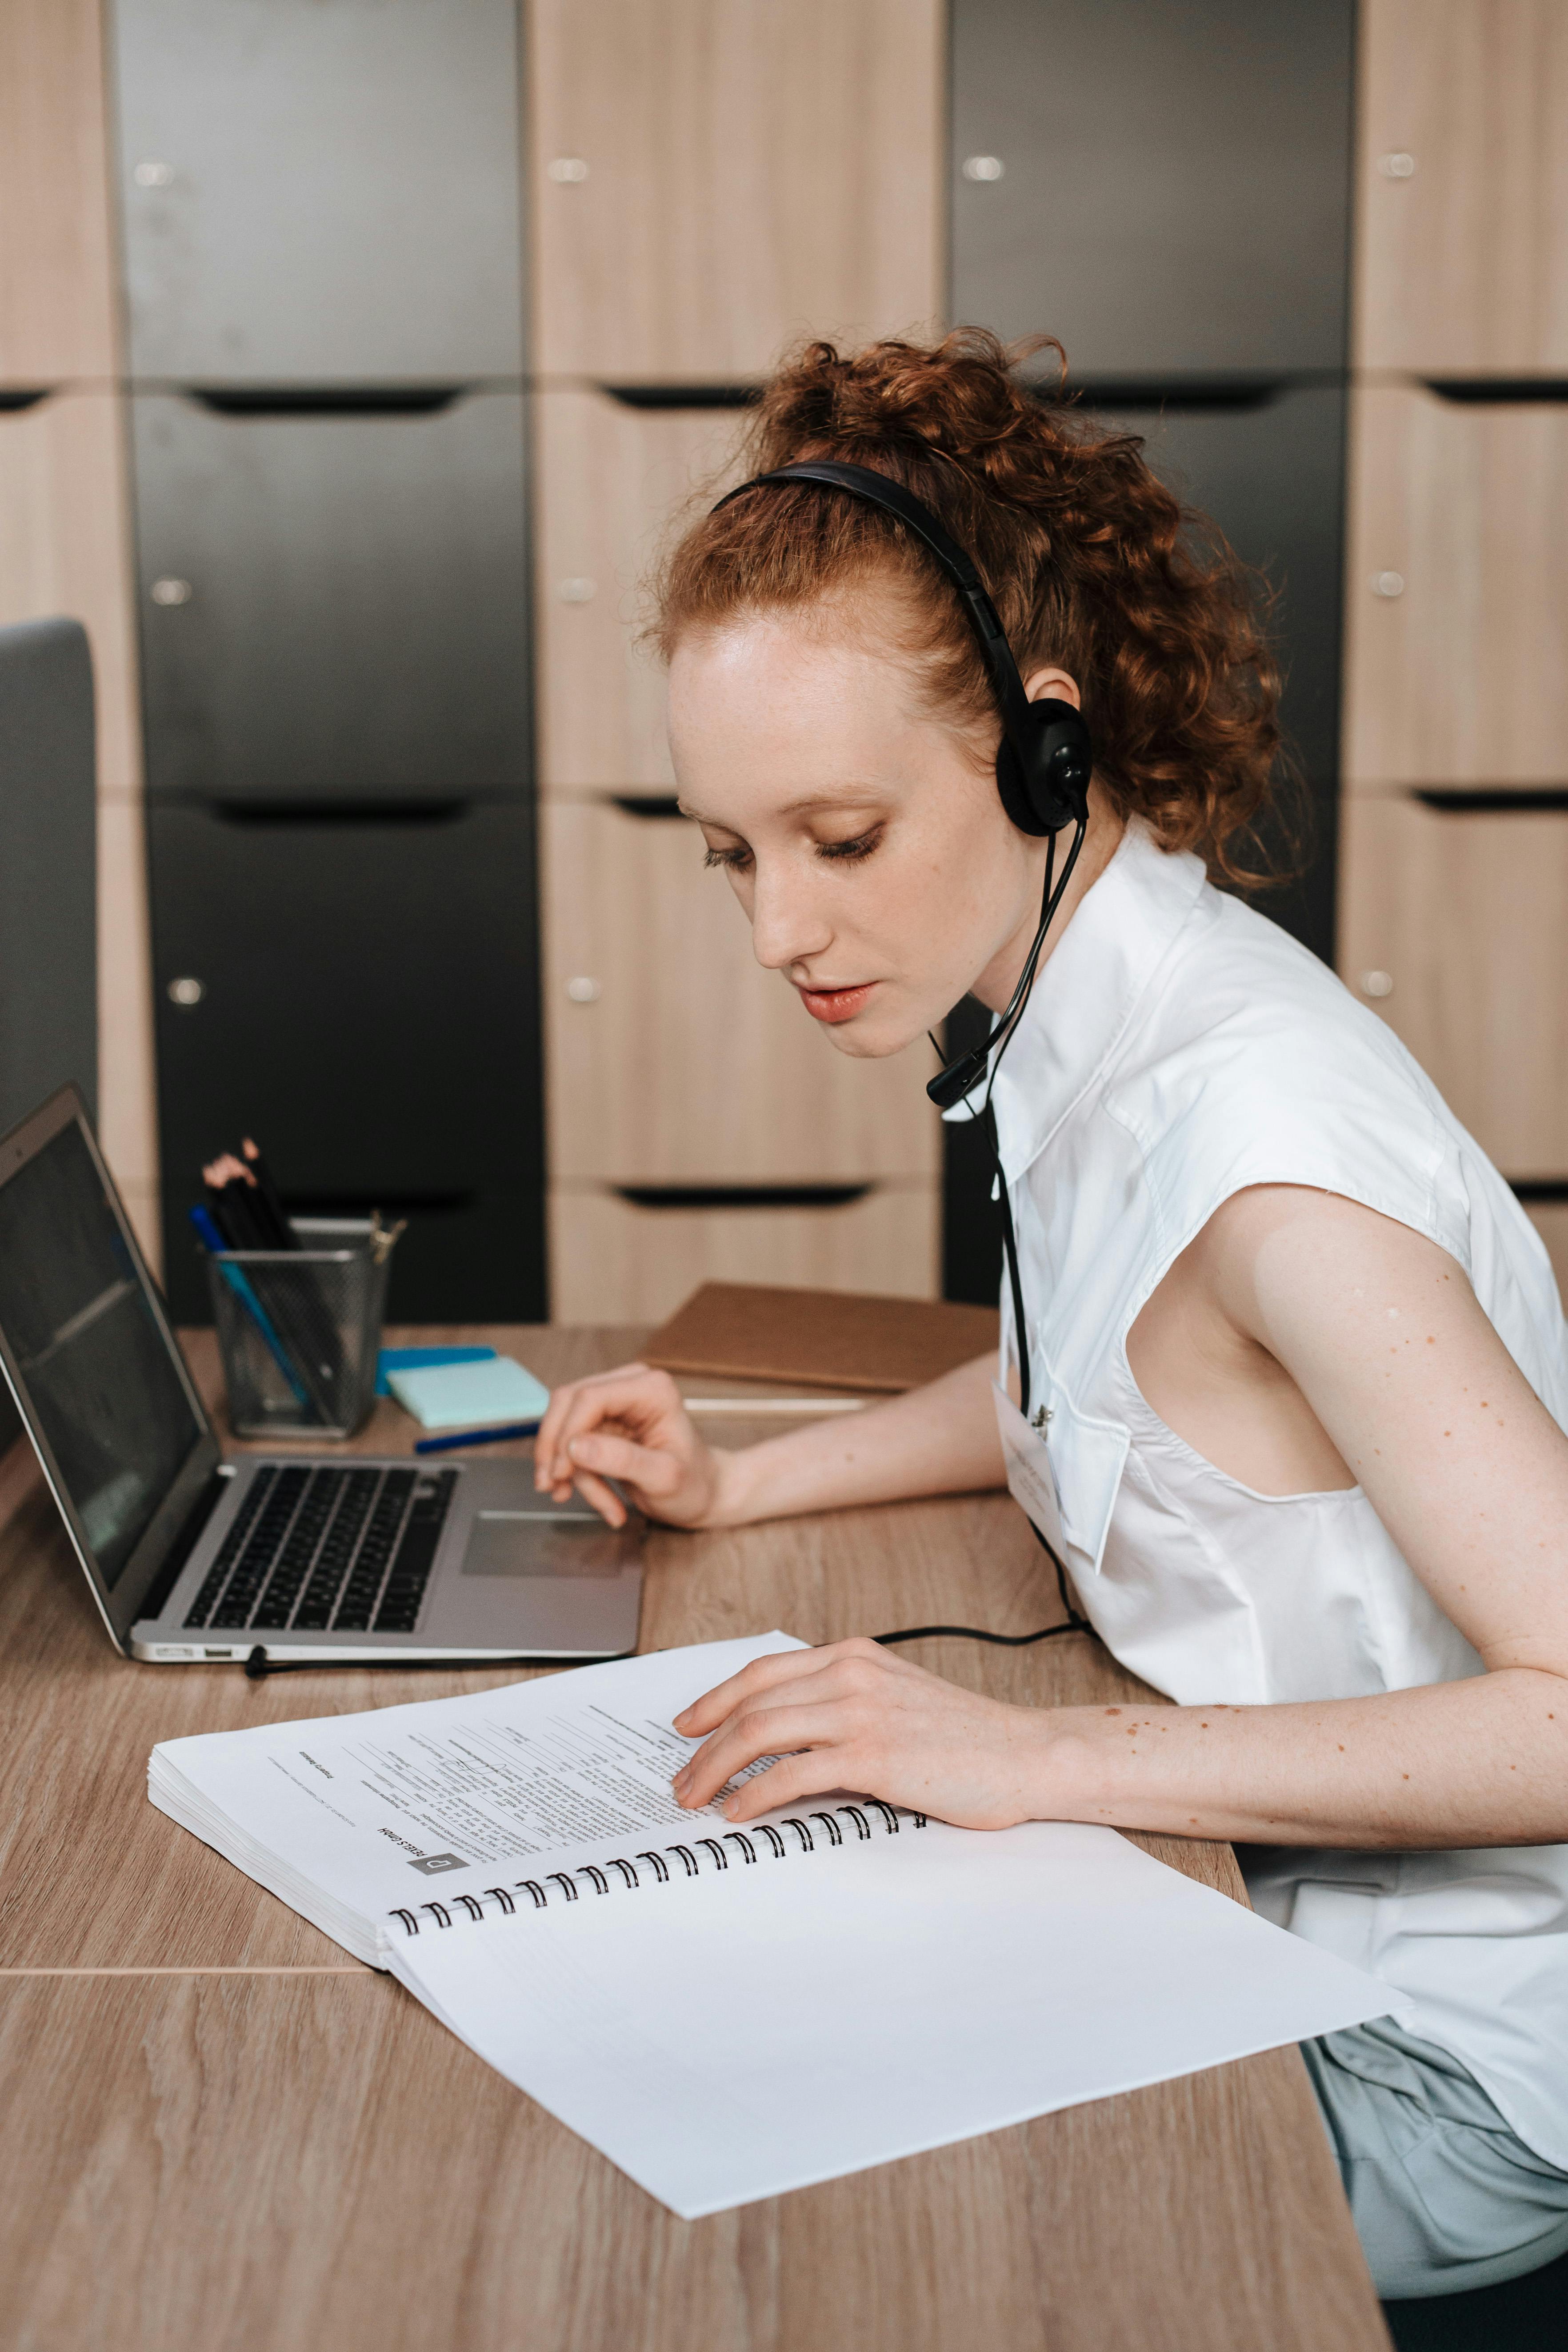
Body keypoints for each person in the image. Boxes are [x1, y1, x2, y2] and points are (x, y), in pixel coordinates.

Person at [533, 330, 1568, 2300]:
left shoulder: (1264, 1158)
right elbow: (1075, 1383)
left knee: (806, 2225)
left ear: (1045, 749)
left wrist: (1040, 1760)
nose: (779, 931)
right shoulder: (1082, 1008)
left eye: (841, 841)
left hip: (1439, 2064)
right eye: (733, 857)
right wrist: (737, 1492)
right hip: (1239, 1909)